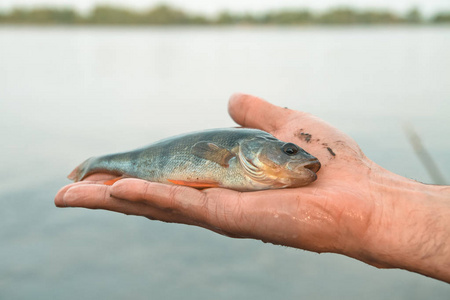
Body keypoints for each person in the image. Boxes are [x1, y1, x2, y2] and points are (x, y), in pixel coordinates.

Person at [55, 93, 450, 283]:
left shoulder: (265, 163)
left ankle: (95, 166)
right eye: (290, 151)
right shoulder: (236, 152)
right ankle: (95, 165)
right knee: (125, 174)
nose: (302, 159)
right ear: (250, 148)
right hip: (148, 163)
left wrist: (380, 210)